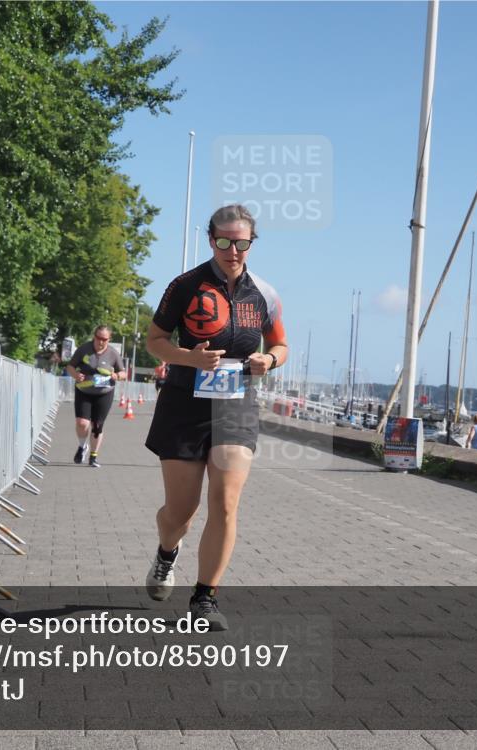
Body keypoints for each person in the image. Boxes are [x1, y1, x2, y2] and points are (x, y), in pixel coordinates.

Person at [142, 204, 287, 631]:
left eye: (241, 242)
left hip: (236, 404)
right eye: (223, 241)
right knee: (180, 512)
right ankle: (167, 551)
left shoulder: (265, 293)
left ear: (250, 243)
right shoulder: (185, 285)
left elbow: (281, 346)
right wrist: (188, 357)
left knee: (225, 501)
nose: (232, 250)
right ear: (211, 240)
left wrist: (269, 361)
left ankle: (205, 598)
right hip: (185, 403)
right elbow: (154, 341)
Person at [68, 325, 126, 468]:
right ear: (94, 336)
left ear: (109, 339)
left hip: (104, 393)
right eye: (98, 338)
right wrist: (75, 375)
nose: (101, 342)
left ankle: (93, 457)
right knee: (82, 423)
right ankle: (82, 447)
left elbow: (124, 373)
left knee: (97, 425)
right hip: (84, 391)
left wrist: (117, 375)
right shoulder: (83, 349)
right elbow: (70, 366)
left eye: (104, 339)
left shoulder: (113, 354)